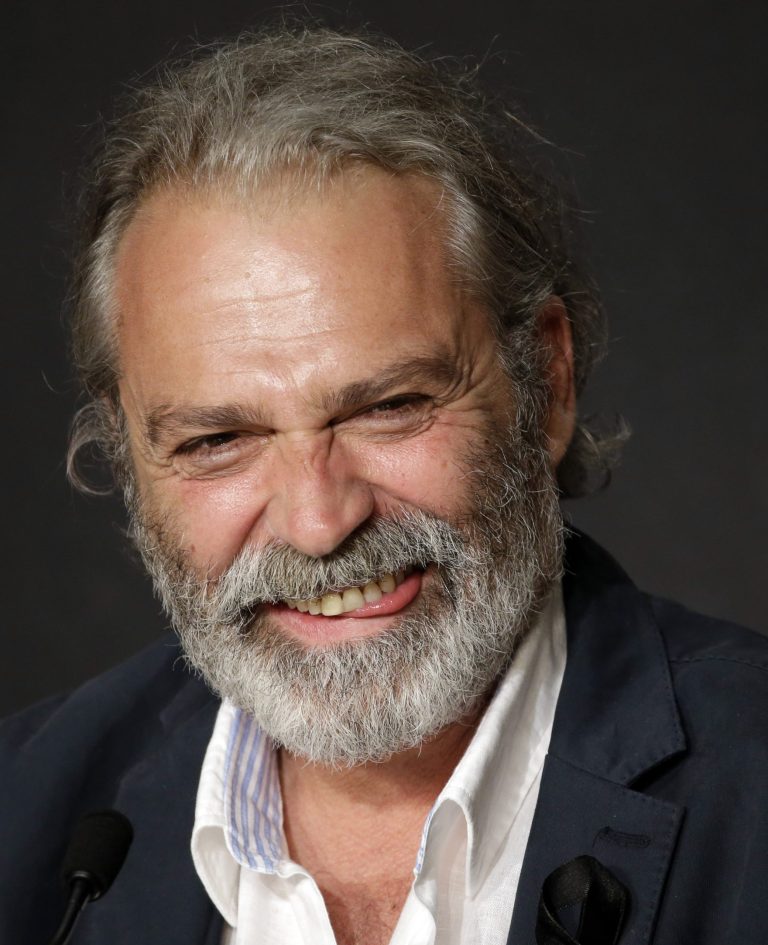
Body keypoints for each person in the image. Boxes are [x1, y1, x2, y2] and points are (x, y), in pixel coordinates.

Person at [1, 23, 766, 945]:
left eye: (389, 406)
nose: (320, 522)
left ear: (547, 383)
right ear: (127, 452)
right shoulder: (23, 813)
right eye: (218, 438)